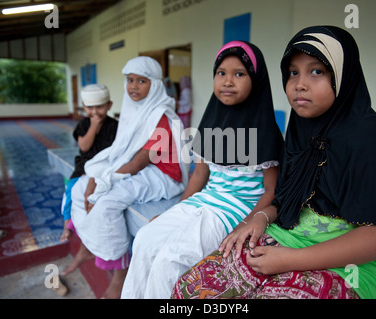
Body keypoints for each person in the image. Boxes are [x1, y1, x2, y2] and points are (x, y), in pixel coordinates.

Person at [172, 26, 376, 300]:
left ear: (343, 74)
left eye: (316, 71)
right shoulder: (300, 130)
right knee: (192, 288)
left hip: (353, 269)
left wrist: (290, 260)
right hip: (288, 238)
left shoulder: (374, 138)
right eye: (293, 72)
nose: (299, 84)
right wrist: (258, 219)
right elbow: (283, 198)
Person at [121, 41, 284, 299]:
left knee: (170, 261)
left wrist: (246, 225)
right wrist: (172, 212)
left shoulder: (265, 132)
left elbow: (271, 191)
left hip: (233, 211)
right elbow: (199, 175)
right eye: (221, 73)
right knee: (144, 238)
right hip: (203, 201)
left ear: (256, 79)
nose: (228, 81)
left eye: (239, 74)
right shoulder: (209, 123)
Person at [64, 56, 189, 299]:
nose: (133, 86)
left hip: (164, 175)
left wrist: (104, 180)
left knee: (108, 201)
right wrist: (96, 176)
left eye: (141, 81)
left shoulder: (161, 115)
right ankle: (91, 246)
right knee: (79, 187)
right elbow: (122, 151)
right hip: (143, 169)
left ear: (154, 84)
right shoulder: (135, 110)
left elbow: (139, 160)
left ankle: (119, 272)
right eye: (130, 80)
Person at [60, 84, 118, 243]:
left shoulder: (114, 126)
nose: (94, 112)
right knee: (71, 188)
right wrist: (94, 126)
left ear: (109, 105)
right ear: (84, 107)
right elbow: (84, 146)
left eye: (99, 107)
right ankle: (66, 223)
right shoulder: (84, 124)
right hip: (84, 164)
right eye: (90, 107)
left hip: (106, 165)